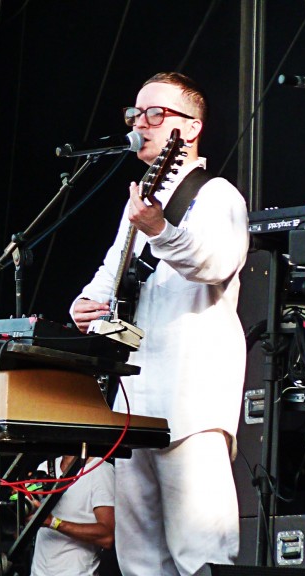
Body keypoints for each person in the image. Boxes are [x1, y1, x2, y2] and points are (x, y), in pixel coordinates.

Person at [69, 72, 247, 575]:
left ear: (190, 129)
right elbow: (110, 277)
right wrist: (86, 304)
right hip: (134, 406)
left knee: (202, 555)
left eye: (155, 114)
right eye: (135, 114)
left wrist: (162, 231)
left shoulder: (217, 196)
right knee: (140, 560)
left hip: (190, 403)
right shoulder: (139, 205)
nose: (140, 124)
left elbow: (214, 262)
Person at [29, 457, 115, 576]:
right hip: (38, 573)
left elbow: (107, 537)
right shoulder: (46, 467)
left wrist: (53, 522)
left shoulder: (101, 469)